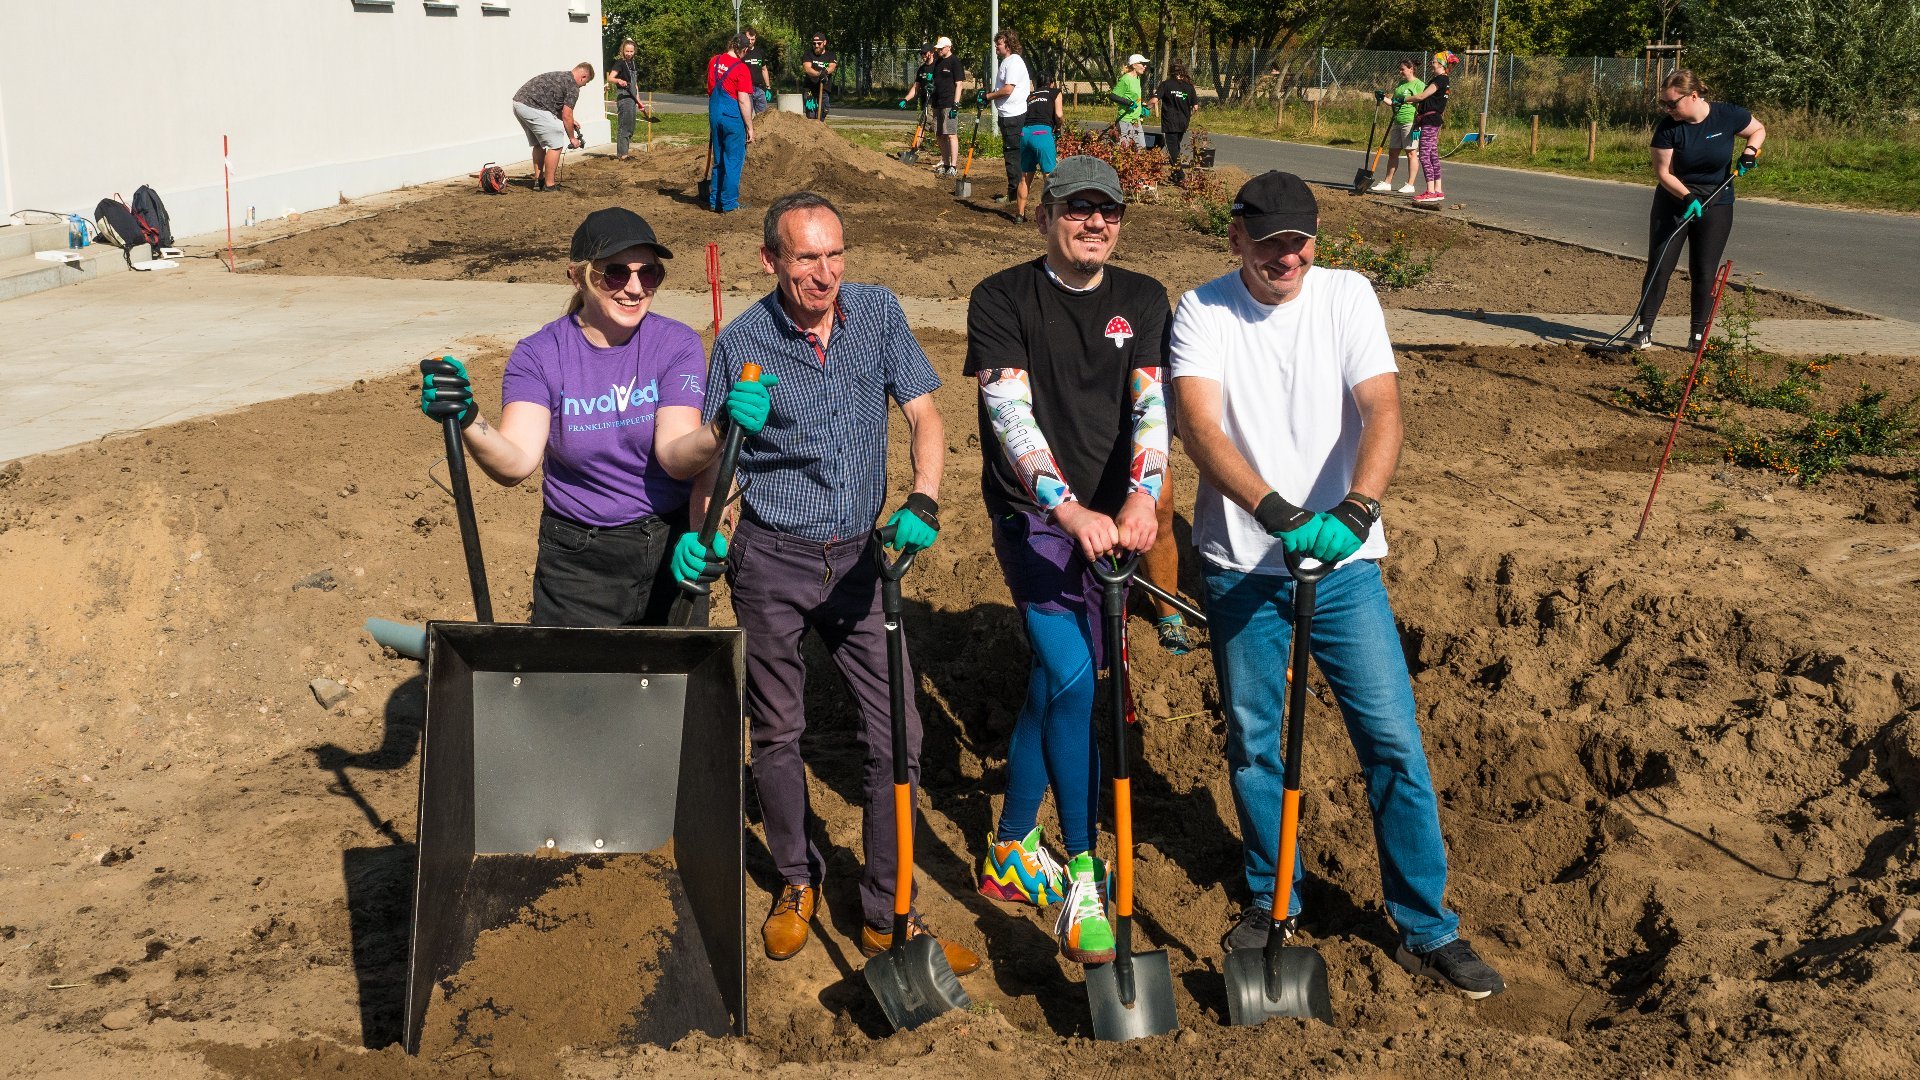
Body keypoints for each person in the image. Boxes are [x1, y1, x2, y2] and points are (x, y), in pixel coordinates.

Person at [1169, 170, 1506, 999]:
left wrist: (1357, 508)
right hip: (1243, 562)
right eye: (1271, 241)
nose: (1288, 256)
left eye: (1300, 241)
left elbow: (1383, 409)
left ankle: (1426, 926)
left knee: (1391, 739)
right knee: (1255, 741)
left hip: (1345, 566)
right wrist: (1277, 510)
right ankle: (1272, 894)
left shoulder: (1348, 296)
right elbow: (1199, 426)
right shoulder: (1201, 309)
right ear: (1236, 237)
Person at [679, 192, 978, 977]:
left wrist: (923, 498)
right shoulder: (743, 341)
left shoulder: (876, 313)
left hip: (861, 559)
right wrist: (701, 539)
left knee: (900, 737)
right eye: (807, 258)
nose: (825, 273)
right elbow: (714, 458)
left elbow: (925, 415)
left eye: (835, 254)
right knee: (778, 731)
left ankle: (887, 915)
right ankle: (796, 881)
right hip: (771, 558)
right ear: (770, 261)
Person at [965, 157, 1171, 964]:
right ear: (1046, 216)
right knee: (1080, 681)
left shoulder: (1143, 299)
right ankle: (1083, 868)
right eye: (1079, 210)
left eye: (1109, 212)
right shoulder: (1002, 297)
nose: (1096, 224)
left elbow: (1151, 407)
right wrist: (1067, 507)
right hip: (1036, 518)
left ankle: (1011, 850)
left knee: (1055, 679)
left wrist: (1144, 495)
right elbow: (1009, 416)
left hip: (1114, 522)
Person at [415, 207, 773, 627]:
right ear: (577, 276)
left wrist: (721, 427)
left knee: (668, 687)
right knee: (574, 688)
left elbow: (675, 455)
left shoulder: (675, 343)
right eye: (616, 273)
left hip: (672, 547)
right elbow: (515, 463)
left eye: (649, 274)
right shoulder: (540, 354)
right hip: (577, 562)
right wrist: (467, 416)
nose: (635, 288)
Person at [1628, 70, 1766, 351]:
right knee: (1660, 265)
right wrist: (1687, 196)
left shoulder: (1727, 115)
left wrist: (1749, 152)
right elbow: (1663, 173)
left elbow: (1758, 129)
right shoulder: (1668, 128)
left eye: (1672, 104)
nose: (1668, 110)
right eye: (1663, 105)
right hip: (1674, 202)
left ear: (1693, 96)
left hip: (1717, 201)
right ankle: (1643, 330)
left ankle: (1697, 337)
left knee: (1704, 271)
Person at [511, 63, 593, 191]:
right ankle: (549, 185)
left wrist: (571, 121)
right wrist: (572, 138)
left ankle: (539, 181)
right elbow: (567, 114)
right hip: (532, 107)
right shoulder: (573, 87)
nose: (583, 85)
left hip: (518, 104)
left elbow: (554, 106)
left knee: (539, 143)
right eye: (586, 82)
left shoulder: (561, 76)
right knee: (556, 143)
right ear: (583, 77)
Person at [706, 34, 757, 215]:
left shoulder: (713, 61)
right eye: (745, 51)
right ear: (741, 49)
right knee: (733, 161)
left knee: (719, 160)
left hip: (714, 114)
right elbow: (743, 100)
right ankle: (729, 203)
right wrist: (750, 127)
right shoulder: (742, 69)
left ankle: (715, 201)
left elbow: (710, 89)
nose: (745, 54)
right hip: (732, 117)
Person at [984, 30, 1032, 206]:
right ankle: (1015, 193)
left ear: (1008, 45)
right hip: (1008, 115)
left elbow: (1008, 89)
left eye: (999, 43)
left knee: (1013, 157)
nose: (996, 46)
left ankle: (1014, 197)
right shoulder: (1008, 61)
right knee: (1011, 155)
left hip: (1013, 117)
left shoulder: (1013, 62)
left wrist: (987, 96)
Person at [1012, 71, 1064, 224]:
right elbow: (1059, 115)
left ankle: (1019, 215)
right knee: (1048, 176)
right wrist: (1059, 127)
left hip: (1026, 134)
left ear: (1036, 84)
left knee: (1024, 177)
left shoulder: (1031, 96)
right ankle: (1051, 216)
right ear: (1051, 83)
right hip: (1042, 133)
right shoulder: (1055, 92)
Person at [1407, 51, 1457, 205]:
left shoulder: (1440, 80)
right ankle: (1438, 190)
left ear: (1441, 64)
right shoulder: (1443, 80)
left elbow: (1422, 96)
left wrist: (1404, 99)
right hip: (1433, 119)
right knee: (1433, 155)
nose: (1431, 63)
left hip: (1430, 120)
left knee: (1424, 155)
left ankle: (1430, 191)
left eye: (1434, 61)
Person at [1369, 59, 1424, 194]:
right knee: (1393, 152)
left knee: (1411, 152)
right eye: (1400, 69)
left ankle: (1410, 184)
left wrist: (1418, 124)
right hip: (1397, 120)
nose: (1400, 72)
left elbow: (1422, 102)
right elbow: (1394, 102)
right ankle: (1387, 182)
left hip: (1410, 121)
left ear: (1411, 69)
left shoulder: (1419, 84)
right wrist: (1383, 98)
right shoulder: (1400, 84)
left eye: (1402, 69)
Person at [607, 40, 654, 161]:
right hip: (624, 97)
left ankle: (625, 153)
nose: (629, 53)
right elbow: (610, 77)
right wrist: (618, 81)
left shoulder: (633, 63)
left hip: (632, 98)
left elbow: (635, 85)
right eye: (627, 51)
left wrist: (639, 102)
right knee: (625, 125)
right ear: (623, 50)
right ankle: (623, 155)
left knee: (631, 126)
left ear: (634, 51)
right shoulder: (620, 63)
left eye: (631, 51)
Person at [1149, 60, 1198, 167]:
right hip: (1183, 121)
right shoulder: (1189, 87)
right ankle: (1174, 174)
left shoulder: (1166, 84)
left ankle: (1179, 174)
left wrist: (1146, 108)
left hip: (1170, 121)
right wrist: (1188, 115)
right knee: (1176, 146)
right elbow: (1195, 107)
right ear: (1183, 72)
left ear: (1171, 72)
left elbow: (1154, 100)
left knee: (1172, 149)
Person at [931, 37, 966, 176]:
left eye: (941, 48)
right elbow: (934, 80)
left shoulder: (954, 62)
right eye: (938, 48)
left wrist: (956, 104)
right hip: (937, 103)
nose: (939, 50)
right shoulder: (938, 62)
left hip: (949, 103)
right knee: (940, 135)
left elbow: (959, 84)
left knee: (951, 134)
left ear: (948, 47)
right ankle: (945, 164)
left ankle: (953, 165)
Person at [1113, 54, 1151, 148]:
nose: (1145, 66)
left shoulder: (1137, 78)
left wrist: (1141, 106)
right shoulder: (1125, 79)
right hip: (1125, 120)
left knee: (1141, 148)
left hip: (1136, 120)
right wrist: (1128, 103)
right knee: (1123, 150)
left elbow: (1134, 97)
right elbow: (1113, 96)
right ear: (1134, 65)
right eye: (1142, 64)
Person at [801, 33, 838, 121]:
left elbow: (832, 66)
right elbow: (807, 68)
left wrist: (825, 73)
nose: (816, 46)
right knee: (811, 115)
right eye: (814, 43)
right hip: (810, 90)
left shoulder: (831, 55)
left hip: (824, 89)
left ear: (824, 43)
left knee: (823, 112)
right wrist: (819, 74)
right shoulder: (808, 54)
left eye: (819, 43)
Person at [740, 27, 774, 116]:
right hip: (746, 90)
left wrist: (768, 87)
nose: (750, 42)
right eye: (748, 39)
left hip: (759, 88)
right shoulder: (740, 53)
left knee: (763, 116)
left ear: (755, 38)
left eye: (753, 39)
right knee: (747, 116)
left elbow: (764, 69)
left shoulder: (760, 51)